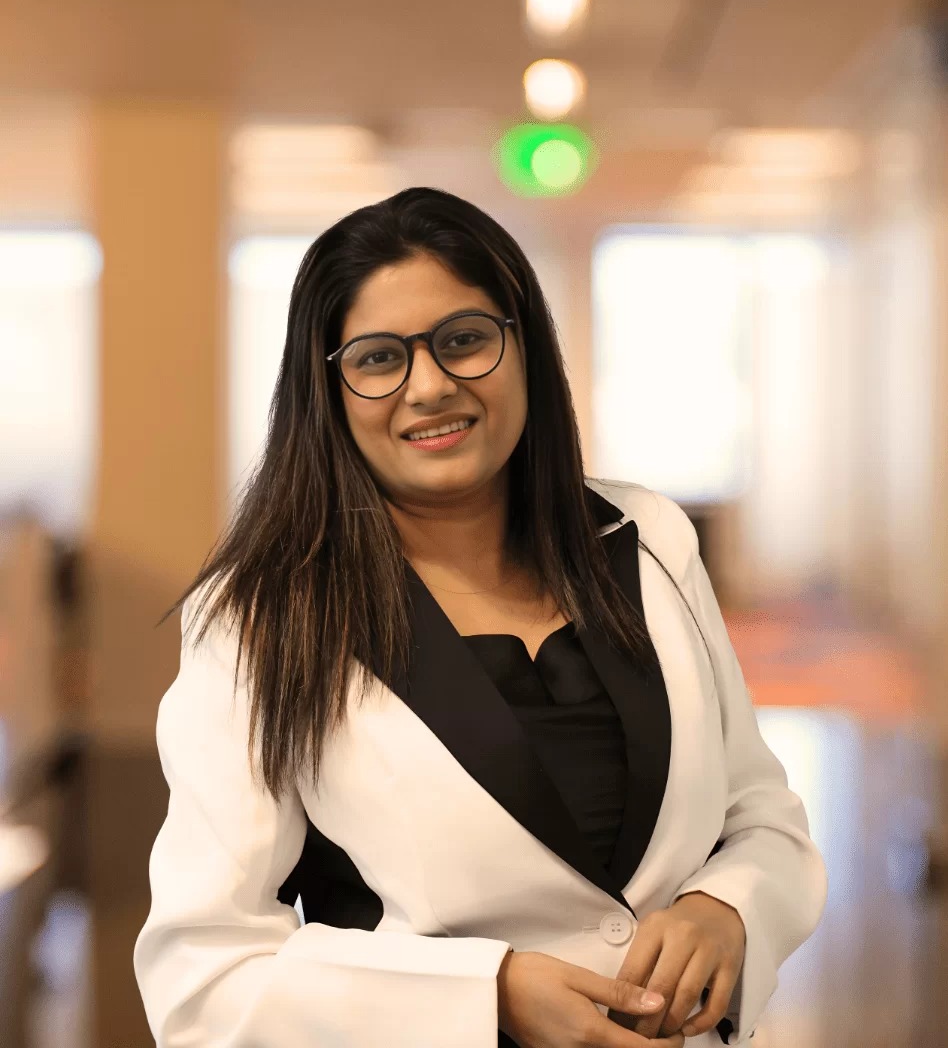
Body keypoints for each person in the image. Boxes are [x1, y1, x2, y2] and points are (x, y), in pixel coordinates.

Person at [134, 186, 827, 1048]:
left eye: (464, 340)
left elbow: (761, 812)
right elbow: (202, 977)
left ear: (523, 345)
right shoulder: (261, 618)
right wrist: (484, 996)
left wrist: (728, 907)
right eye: (378, 358)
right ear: (329, 390)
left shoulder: (648, 538)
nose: (429, 386)